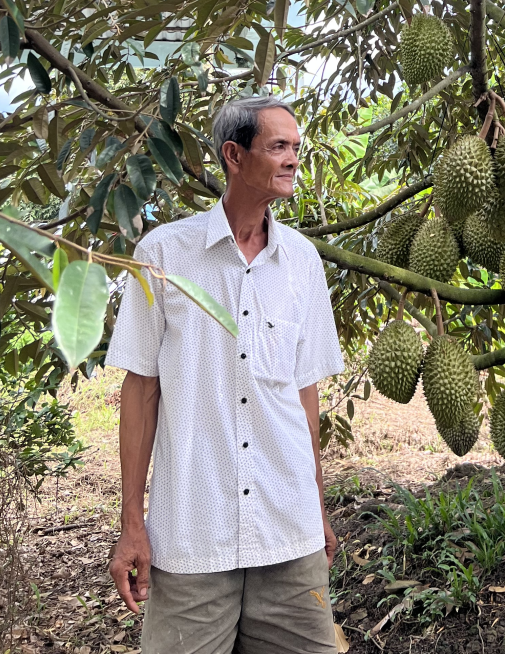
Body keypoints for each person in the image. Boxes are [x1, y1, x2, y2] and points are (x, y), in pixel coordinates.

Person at [106, 96, 345, 654]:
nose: (292, 160)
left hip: (289, 534)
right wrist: (131, 523)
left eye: (297, 148)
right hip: (193, 537)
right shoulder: (165, 253)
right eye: (279, 146)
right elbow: (140, 390)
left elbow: (303, 393)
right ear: (234, 155)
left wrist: (317, 506)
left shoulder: (303, 262)